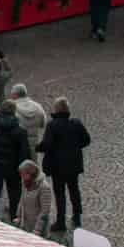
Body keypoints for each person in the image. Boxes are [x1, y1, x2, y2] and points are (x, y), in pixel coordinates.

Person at [38, 96, 91, 233]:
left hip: (57, 166)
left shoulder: (52, 125)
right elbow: (86, 139)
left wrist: (37, 147)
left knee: (59, 193)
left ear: (56, 110)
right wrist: (75, 147)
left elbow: (47, 144)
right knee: (74, 190)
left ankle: (60, 221)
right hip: (73, 163)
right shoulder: (76, 123)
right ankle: (77, 216)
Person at [15, 161, 52, 237]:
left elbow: (45, 211)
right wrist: (18, 216)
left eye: (23, 174)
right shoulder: (25, 182)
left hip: (38, 229)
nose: (21, 177)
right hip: (26, 226)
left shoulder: (44, 187)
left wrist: (37, 230)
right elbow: (22, 200)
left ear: (30, 173)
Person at [8, 83, 48, 150]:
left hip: (17, 145)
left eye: (11, 93)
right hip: (33, 145)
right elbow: (43, 124)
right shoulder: (38, 107)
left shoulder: (11, 108)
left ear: (15, 95)